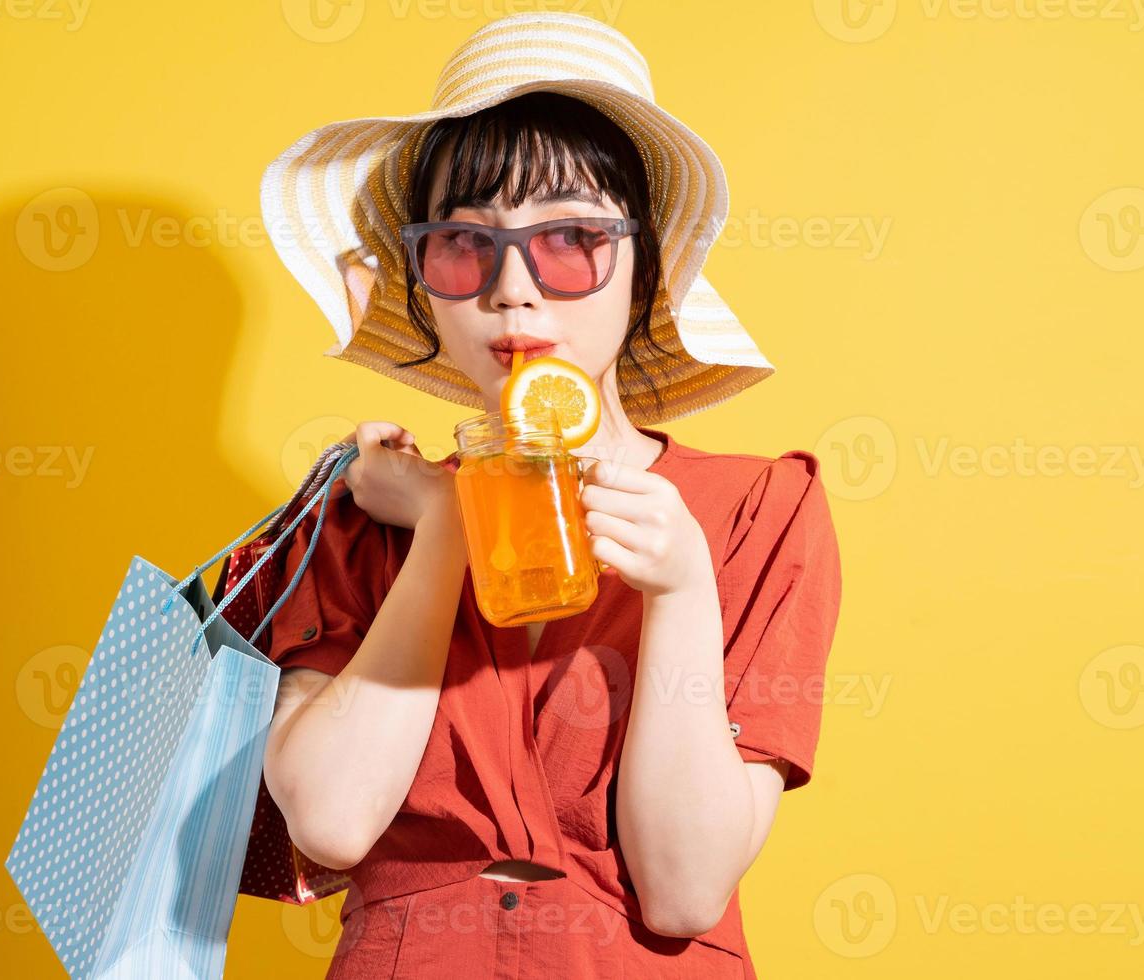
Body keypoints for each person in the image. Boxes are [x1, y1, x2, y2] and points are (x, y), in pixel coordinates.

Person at [255, 13, 842, 978]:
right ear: (422, 280)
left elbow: (686, 889)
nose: (511, 291)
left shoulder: (757, 513)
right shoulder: (364, 513)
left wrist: (683, 592)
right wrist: (450, 519)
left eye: (570, 238)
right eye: (462, 244)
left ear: (643, 264)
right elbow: (330, 820)